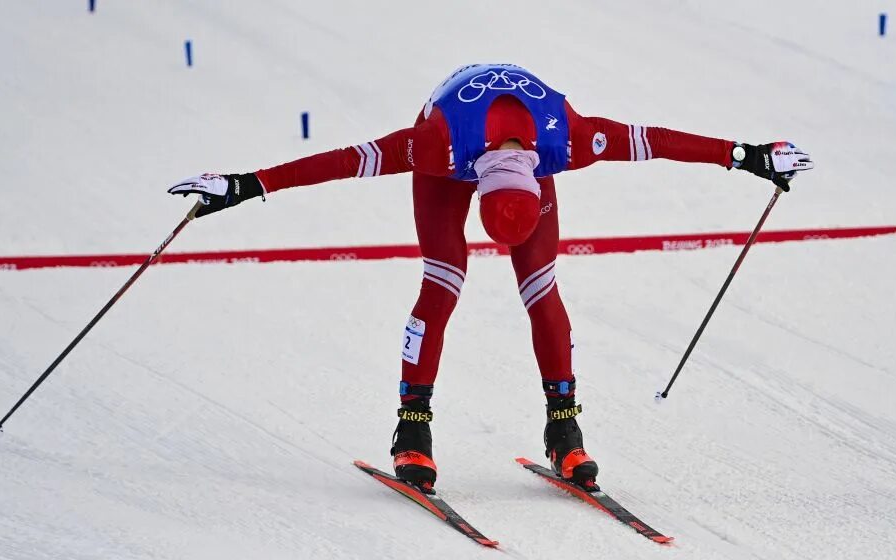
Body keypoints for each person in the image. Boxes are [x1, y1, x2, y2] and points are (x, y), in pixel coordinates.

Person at [169, 63, 813, 492]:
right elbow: (344, 161)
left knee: (542, 288)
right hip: (451, 162)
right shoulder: (435, 142)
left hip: (514, 161)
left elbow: (660, 140)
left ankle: (565, 426)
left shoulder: (570, 136)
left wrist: (747, 157)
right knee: (443, 282)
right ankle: (411, 426)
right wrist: (246, 185)